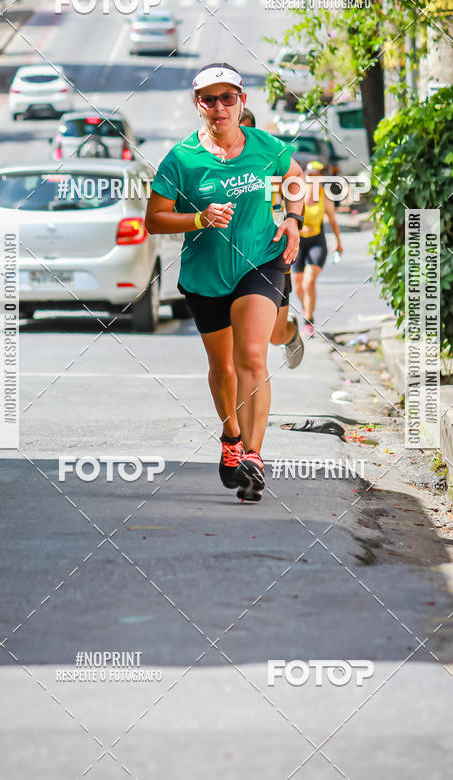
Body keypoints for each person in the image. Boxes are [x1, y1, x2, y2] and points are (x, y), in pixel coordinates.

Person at [146, 63, 304, 503]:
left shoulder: (263, 145)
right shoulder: (181, 159)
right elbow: (154, 219)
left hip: (260, 263)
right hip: (205, 275)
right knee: (223, 368)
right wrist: (198, 218)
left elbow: (295, 178)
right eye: (209, 100)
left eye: (227, 98)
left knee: (252, 354)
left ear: (242, 102)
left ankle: (253, 456)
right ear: (198, 105)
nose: (219, 107)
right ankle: (231, 436)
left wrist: (292, 220)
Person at [239, 108, 304, 369]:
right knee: (245, 338)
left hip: (272, 253)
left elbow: (297, 189)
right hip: (236, 258)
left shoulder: (271, 160)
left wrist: (293, 223)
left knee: (274, 335)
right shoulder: (220, 163)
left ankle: (290, 333)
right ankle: (248, 400)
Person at [292, 160, 344, 338]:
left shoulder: (325, 196)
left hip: (316, 242)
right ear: (305, 176)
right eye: (310, 175)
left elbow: (333, 221)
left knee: (308, 282)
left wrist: (339, 243)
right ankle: (307, 307)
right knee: (298, 285)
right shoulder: (297, 193)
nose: (313, 179)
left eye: (317, 176)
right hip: (298, 242)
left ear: (321, 178)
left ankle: (308, 320)